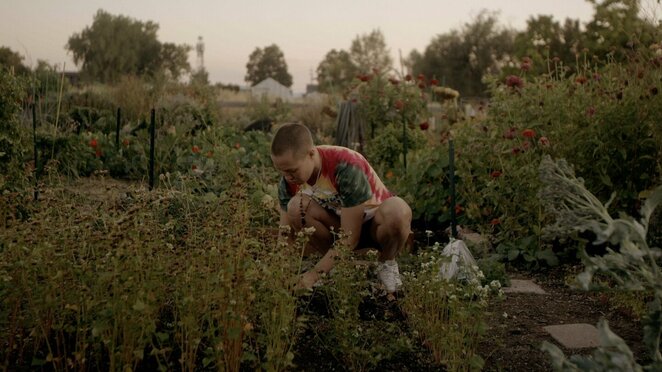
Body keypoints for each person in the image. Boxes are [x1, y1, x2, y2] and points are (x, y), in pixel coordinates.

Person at [270, 123, 413, 293]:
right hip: (339, 227)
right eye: (282, 171)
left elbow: (349, 237)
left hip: (375, 228)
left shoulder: (345, 166)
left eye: (292, 170)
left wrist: (313, 275)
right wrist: (277, 276)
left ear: (311, 154)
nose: (287, 177)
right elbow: (285, 235)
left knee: (398, 210)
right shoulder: (289, 180)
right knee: (296, 206)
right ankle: (338, 267)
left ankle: (386, 264)